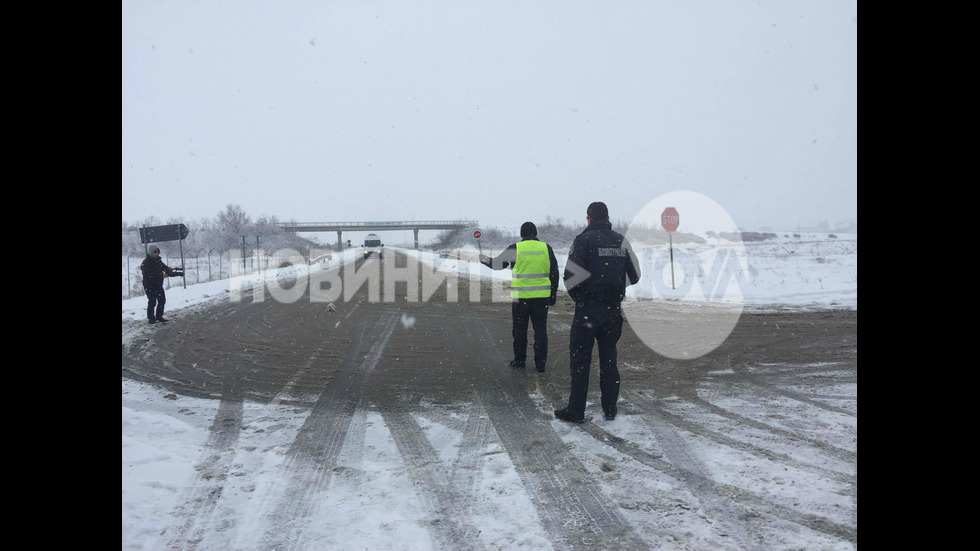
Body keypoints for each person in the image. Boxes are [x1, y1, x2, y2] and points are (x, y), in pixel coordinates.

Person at [554, 202, 640, 422]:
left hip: (588, 310)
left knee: (580, 359)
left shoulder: (583, 241)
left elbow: (571, 278)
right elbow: (636, 274)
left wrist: (583, 298)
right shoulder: (621, 241)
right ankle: (610, 408)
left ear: (589, 218)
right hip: (612, 310)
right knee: (609, 357)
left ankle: (576, 409)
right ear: (608, 217)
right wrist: (615, 287)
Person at [480, 221, 560, 373]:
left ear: (522, 234)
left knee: (519, 330)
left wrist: (484, 259)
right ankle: (540, 364)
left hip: (521, 298)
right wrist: (553, 294)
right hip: (541, 298)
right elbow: (554, 272)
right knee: (540, 331)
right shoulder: (546, 248)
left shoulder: (516, 248)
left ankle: (520, 360)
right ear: (535, 233)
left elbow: (497, 264)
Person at [140, 245, 182, 325]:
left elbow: (163, 267)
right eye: (155, 252)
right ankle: (151, 319)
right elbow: (149, 274)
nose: (156, 254)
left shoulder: (158, 260)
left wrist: (170, 270)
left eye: (157, 252)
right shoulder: (146, 262)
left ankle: (159, 316)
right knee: (152, 301)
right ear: (151, 252)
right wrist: (161, 275)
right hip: (149, 285)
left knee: (162, 300)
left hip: (158, 285)